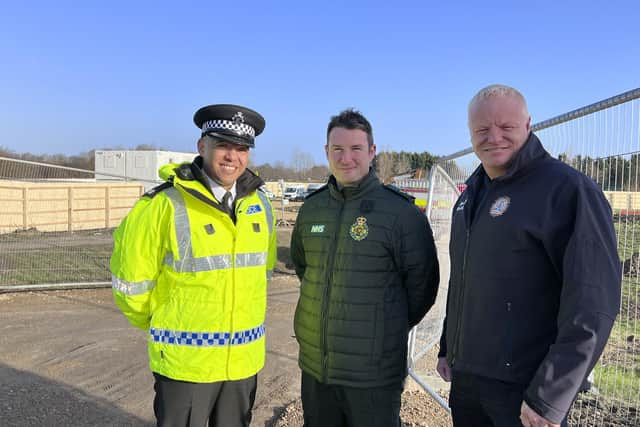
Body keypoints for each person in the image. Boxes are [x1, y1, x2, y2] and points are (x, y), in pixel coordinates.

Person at [436, 85, 622, 427]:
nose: (494, 137)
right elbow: (464, 279)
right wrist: (449, 347)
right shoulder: (470, 196)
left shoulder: (567, 190)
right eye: (481, 130)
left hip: (527, 391)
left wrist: (551, 394)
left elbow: (593, 303)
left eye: (506, 127)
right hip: (469, 383)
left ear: (528, 125)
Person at [111, 104, 276, 427]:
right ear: (202, 147)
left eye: (241, 148)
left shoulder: (262, 207)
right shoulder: (162, 205)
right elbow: (130, 283)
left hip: (242, 365)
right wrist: (162, 323)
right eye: (223, 146)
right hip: (186, 366)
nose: (232, 156)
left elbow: (261, 275)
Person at [290, 108, 440, 427]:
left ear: (372, 152)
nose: (346, 158)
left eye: (356, 149)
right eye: (338, 149)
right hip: (318, 370)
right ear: (327, 152)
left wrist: (383, 326)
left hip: (374, 374)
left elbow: (422, 287)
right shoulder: (312, 209)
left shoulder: (402, 214)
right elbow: (305, 269)